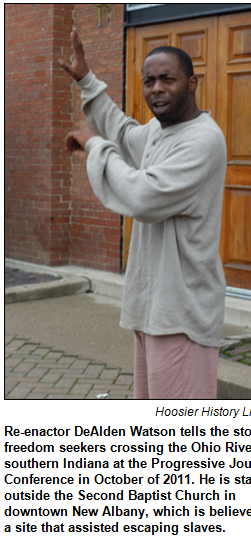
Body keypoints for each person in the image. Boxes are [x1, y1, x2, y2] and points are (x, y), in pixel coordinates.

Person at [59, 28, 227, 400]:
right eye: (148, 80)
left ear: (192, 82)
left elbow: (143, 196)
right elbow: (123, 132)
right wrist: (88, 81)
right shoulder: (158, 131)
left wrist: (95, 146)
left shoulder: (202, 141)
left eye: (168, 79)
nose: (156, 89)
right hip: (151, 307)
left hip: (182, 314)